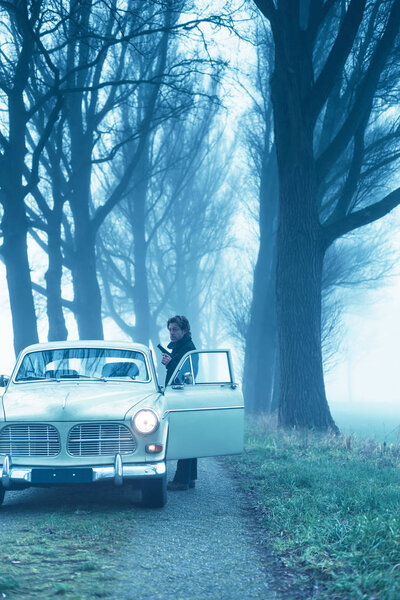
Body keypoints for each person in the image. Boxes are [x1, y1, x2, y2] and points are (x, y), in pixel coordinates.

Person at [161, 315, 197, 491]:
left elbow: (186, 374)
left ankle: (181, 480)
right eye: (170, 329)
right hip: (181, 394)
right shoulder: (181, 347)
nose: (171, 333)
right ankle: (190, 478)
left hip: (183, 395)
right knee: (189, 436)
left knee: (184, 436)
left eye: (175, 329)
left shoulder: (188, 349)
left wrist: (169, 363)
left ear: (184, 330)